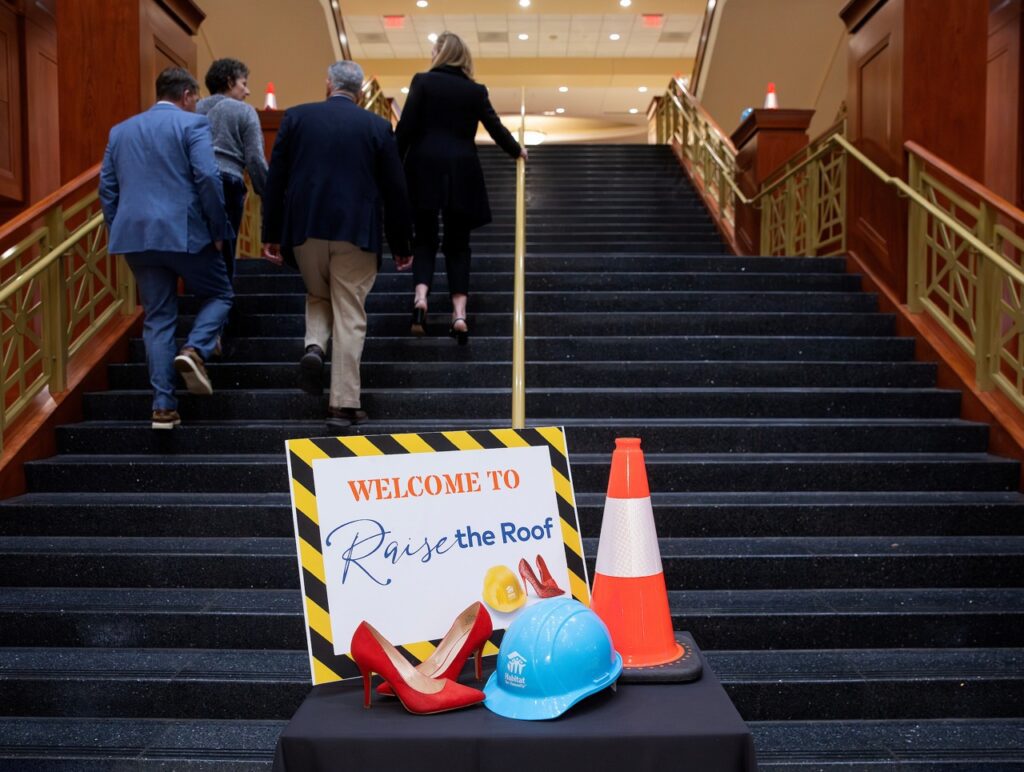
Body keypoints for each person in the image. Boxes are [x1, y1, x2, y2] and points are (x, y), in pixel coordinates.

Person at [262, 60, 413, 430]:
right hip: (356, 233)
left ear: (327, 84)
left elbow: (276, 178)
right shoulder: (376, 126)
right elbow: (396, 189)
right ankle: (343, 404)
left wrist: (272, 234)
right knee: (349, 312)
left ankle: (315, 346)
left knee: (318, 294)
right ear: (361, 93)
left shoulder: (296, 118)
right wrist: (401, 242)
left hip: (306, 230)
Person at [99, 67, 234, 430]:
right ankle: (194, 350)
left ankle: (163, 407)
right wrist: (219, 229)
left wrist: (121, 230)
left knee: (157, 318)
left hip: (137, 238)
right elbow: (207, 177)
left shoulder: (120, 131)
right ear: (189, 95)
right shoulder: (193, 126)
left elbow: (108, 190)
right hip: (185, 232)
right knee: (220, 293)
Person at [395, 31, 526, 344]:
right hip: (462, 171)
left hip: (424, 167)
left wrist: (391, 167)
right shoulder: (475, 90)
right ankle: (459, 315)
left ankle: (421, 300)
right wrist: (516, 150)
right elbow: (495, 127)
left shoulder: (422, 82)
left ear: (440, 53)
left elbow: (406, 129)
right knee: (458, 243)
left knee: (424, 237)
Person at [197, 57, 268, 281]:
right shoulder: (244, 111)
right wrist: (267, 192)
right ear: (229, 82)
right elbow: (255, 158)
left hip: (195, 180)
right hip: (229, 181)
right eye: (243, 83)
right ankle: (223, 299)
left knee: (201, 242)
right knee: (226, 246)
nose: (247, 91)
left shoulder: (194, 109)